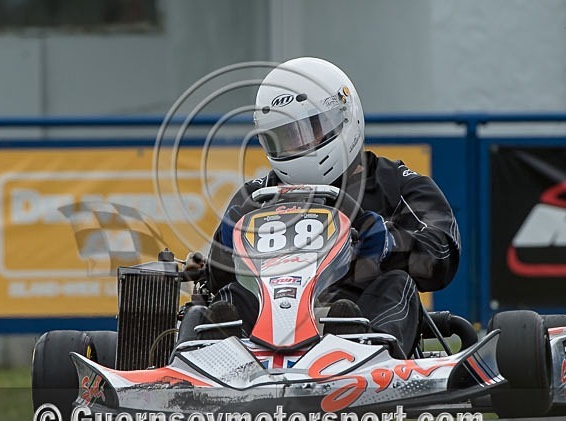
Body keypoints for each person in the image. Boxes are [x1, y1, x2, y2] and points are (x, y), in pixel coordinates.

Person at [186, 57, 461, 357]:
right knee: (228, 298)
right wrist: (225, 252)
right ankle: (210, 364)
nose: (301, 146)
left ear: (346, 115)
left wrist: (392, 243)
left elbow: (442, 255)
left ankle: (359, 349)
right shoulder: (256, 198)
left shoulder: (394, 184)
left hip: (360, 318)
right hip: (264, 332)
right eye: (288, 137)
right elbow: (213, 285)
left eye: (312, 131)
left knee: (398, 284)